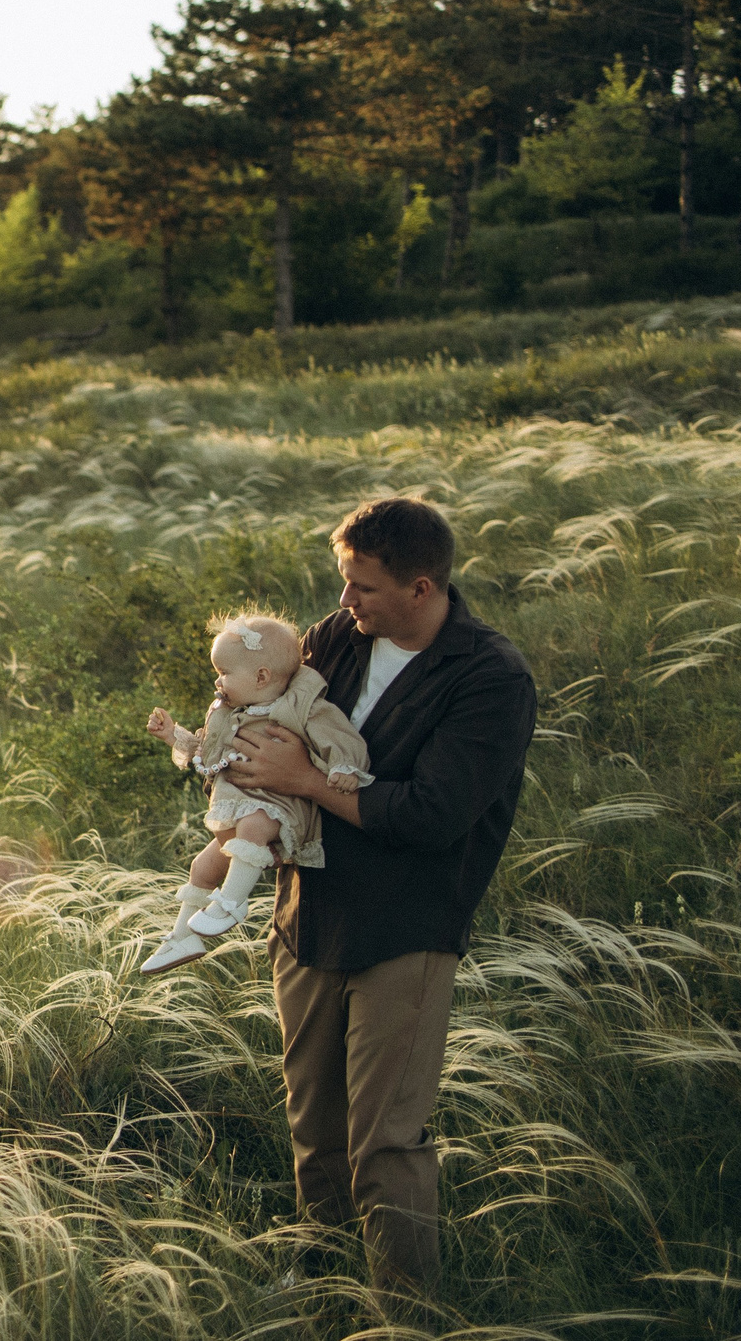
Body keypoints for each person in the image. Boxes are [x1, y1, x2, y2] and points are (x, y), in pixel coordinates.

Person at [220, 498, 534, 1299]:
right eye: (344, 581)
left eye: (361, 585)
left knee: (386, 1145)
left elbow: (429, 815)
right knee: (314, 1131)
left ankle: (403, 1308)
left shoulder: (489, 677)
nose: (345, 600)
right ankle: (322, 1280)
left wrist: (302, 780)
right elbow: (262, 716)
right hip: (308, 916)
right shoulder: (335, 639)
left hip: (405, 930)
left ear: (421, 587)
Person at [139, 613, 371, 975]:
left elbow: (339, 738)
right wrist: (174, 736)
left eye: (224, 673)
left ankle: (232, 902)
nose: (218, 682)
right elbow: (208, 750)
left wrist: (343, 767)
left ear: (261, 676)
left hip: (278, 809)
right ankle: (182, 937)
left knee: (252, 827)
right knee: (202, 866)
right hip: (239, 810)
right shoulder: (232, 712)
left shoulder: (300, 709)